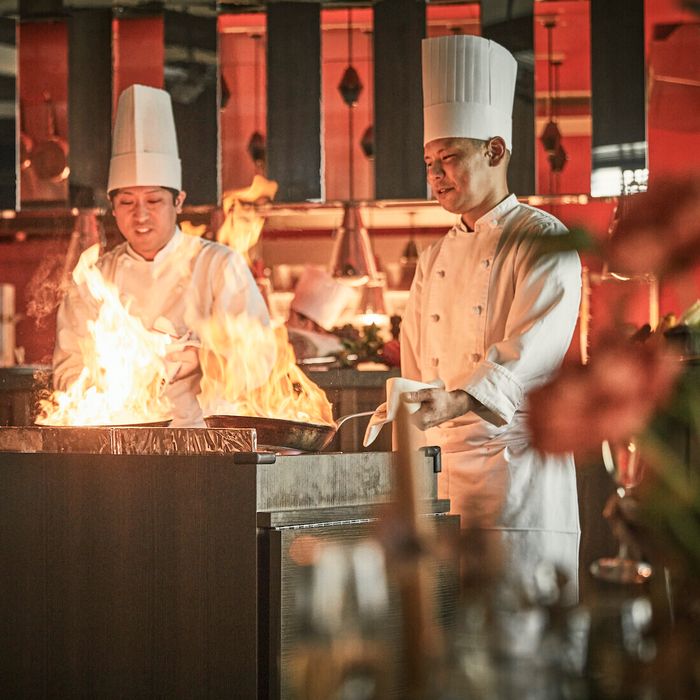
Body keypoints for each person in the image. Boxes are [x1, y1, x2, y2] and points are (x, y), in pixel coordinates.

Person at [400, 35, 582, 602]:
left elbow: (533, 350)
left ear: (496, 150)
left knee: (522, 637)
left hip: (517, 479)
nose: (436, 175)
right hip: (442, 481)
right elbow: (414, 363)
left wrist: (457, 400)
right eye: (429, 163)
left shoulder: (543, 239)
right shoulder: (433, 257)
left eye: (449, 158)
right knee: (451, 639)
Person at [53, 84, 269, 427]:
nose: (140, 215)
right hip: (119, 441)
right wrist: (112, 382)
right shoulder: (93, 280)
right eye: (127, 202)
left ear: (178, 201)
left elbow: (261, 361)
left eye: (153, 201)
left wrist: (202, 358)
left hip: (207, 438)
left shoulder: (219, 266)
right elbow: (68, 372)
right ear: (113, 206)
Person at [286, 266, 356, 360]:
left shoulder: (288, 337)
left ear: (306, 322)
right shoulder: (339, 346)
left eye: (291, 314)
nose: (286, 322)